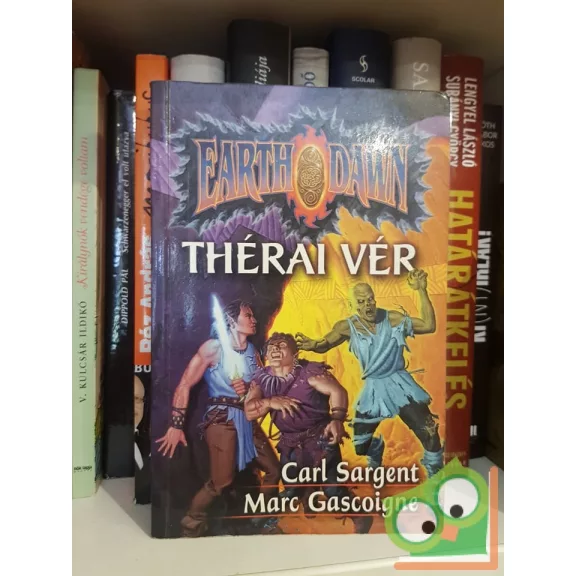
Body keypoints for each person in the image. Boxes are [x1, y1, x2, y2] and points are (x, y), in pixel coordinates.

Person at [295, 269, 444, 478]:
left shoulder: (392, 318)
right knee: (360, 445)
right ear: (352, 306)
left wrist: (422, 290)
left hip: (400, 384)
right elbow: (325, 343)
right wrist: (313, 344)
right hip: (374, 390)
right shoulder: (346, 327)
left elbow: (428, 325)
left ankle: (436, 475)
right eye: (361, 301)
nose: (368, 305)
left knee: (429, 433)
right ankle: (375, 448)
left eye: (370, 299)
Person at [156, 298, 281, 537]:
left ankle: (261, 519)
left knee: (273, 470)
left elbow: (259, 388)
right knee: (221, 481)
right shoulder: (213, 348)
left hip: (247, 418)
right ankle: (192, 523)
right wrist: (176, 424)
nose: (254, 320)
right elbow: (185, 383)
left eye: (253, 316)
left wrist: (249, 389)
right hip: (222, 418)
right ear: (232, 321)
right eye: (248, 315)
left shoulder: (252, 352)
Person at [244, 332, 374, 533]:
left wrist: (337, 419)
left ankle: (361, 517)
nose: (275, 349)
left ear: (295, 354)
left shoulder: (310, 372)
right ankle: (286, 511)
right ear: (266, 355)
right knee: (292, 489)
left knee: (332, 488)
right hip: (290, 443)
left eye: (282, 345)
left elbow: (337, 391)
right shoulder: (261, 379)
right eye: (271, 347)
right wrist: (270, 402)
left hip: (320, 439)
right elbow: (249, 411)